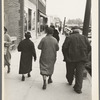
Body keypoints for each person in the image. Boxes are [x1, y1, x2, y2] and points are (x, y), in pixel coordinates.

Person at [62, 29, 91, 94]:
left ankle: (70, 80)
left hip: (71, 58)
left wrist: (65, 56)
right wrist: (85, 55)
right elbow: (89, 47)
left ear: (72, 32)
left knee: (70, 71)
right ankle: (78, 88)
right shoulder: (84, 38)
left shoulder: (69, 38)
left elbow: (64, 48)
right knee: (79, 74)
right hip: (81, 59)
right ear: (79, 32)